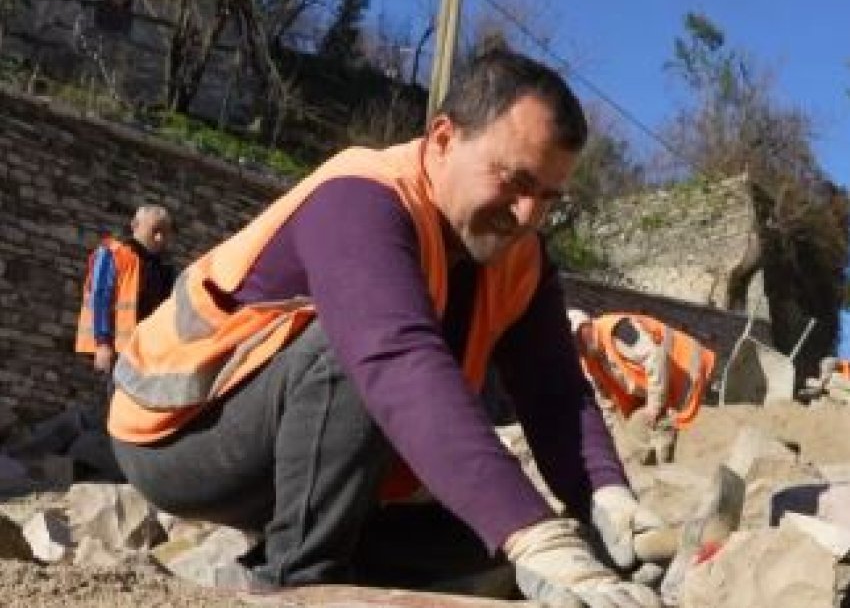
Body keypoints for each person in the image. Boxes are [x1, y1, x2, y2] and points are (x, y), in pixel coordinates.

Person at [108, 50, 661, 606]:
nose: (527, 216)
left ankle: (283, 563)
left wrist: (606, 498)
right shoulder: (360, 197)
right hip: (179, 436)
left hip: (304, 459)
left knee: (492, 555)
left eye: (547, 197)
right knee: (349, 348)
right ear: (443, 139)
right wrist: (531, 531)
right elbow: (395, 360)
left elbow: (554, 392)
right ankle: (298, 582)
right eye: (514, 181)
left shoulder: (520, 256)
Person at [566, 309, 716, 464]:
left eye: (577, 335)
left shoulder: (618, 329)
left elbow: (655, 356)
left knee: (660, 427)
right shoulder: (589, 362)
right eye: (571, 341)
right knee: (639, 429)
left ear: (587, 324)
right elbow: (606, 405)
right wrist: (611, 442)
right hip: (668, 389)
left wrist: (654, 406)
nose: (577, 344)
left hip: (690, 371)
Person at [75, 205, 175, 382]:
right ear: (135, 225)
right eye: (155, 230)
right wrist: (103, 344)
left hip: (151, 355)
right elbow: (100, 298)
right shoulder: (113, 254)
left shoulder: (164, 269)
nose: (160, 238)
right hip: (120, 352)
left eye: (165, 233)